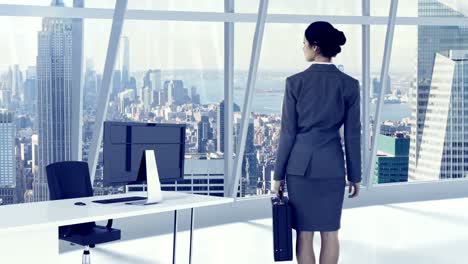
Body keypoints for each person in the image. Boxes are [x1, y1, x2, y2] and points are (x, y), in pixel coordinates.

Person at [272, 21, 361, 264]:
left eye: (304, 43)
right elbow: (353, 134)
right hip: (332, 167)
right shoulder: (349, 85)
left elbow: (287, 133)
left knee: (304, 233)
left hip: (299, 169)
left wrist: (277, 175)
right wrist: (355, 175)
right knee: (330, 232)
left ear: (315, 46)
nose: (302, 48)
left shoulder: (294, 83)